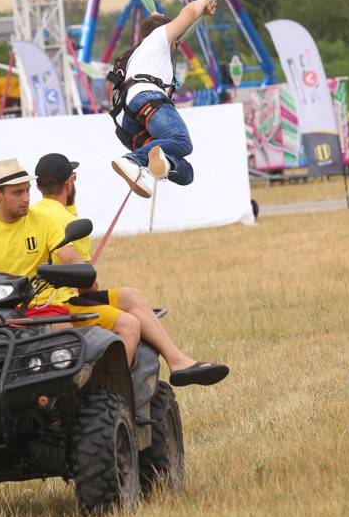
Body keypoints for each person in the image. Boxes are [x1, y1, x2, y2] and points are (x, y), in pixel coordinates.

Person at [31, 152, 229, 387]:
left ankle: (177, 360)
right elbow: (85, 285)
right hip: (61, 304)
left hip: (38, 301)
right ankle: (112, 392)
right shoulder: (64, 220)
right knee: (128, 321)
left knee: (130, 295)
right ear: (70, 181)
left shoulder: (33, 214)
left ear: (37, 185)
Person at [0, 158, 140, 365]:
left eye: (27, 190)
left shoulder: (44, 222)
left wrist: (82, 274)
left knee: (69, 347)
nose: (26, 198)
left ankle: (105, 395)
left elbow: (70, 258)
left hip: (44, 309)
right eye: (17, 193)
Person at [108, 0, 217, 198]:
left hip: (128, 118)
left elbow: (152, 29)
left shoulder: (137, 55)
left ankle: (163, 162)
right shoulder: (158, 38)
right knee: (181, 141)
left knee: (187, 173)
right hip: (146, 97)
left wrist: (155, 20)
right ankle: (133, 161)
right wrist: (203, 3)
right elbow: (190, 12)